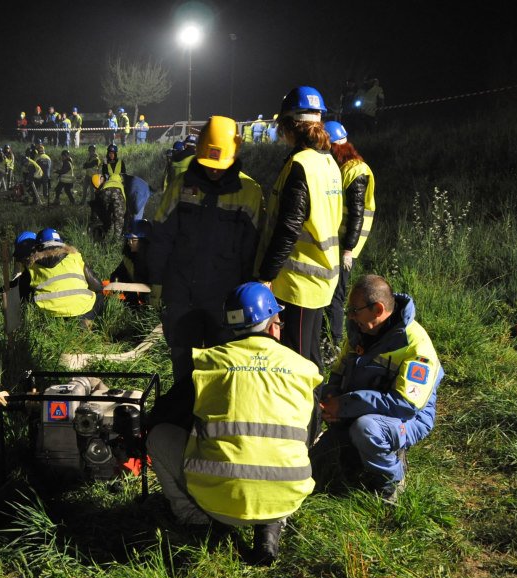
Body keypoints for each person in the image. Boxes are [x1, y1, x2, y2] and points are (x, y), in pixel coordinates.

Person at [146, 282, 320, 564]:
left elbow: (162, 414)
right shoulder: (303, 368)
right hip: (286, 496)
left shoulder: (209, 363)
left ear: (230, 328)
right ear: (273, 326)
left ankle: (196, 519)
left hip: (218, 502)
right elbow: (311, 432)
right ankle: (272, 525)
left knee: (158, 436)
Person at [147, 115, 265, 382]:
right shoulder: (180, 187)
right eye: (208, 164)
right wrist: (156, 281)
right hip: (182, 295)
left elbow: (253, 250)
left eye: (219, 165)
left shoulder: (249, 192)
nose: (213, 171)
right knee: (182, 365)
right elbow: (162, 236)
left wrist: (251, 289)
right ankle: (184, 406)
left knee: (223, 367)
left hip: (225, 300)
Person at [310, 274, 443, 503]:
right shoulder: (360, 330)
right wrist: (332, 396)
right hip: (360, 406)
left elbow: (405, 405)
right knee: (316, 465)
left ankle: (391, 480)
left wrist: (344, 405)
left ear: (378, 309)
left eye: (354, 310)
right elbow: (340, 370)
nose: (349, 316)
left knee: (366, 429)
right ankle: (359, 454)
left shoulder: (416, 346)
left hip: (408, 417)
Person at [256, 86, 343, 372]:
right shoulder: (328, 161)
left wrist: (266, 276)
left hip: (300, 282)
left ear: (288, 125)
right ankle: (316, 401)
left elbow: (289, 228)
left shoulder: (300, 165)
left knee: (298, 361)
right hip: (322, 274)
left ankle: (307, 403)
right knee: (311, 354)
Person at [323, 120, 377, 364]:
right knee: (330, 293)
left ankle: (334, 345)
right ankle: (329, 340)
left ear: (333, 146)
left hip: (344, 247)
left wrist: (348, 249)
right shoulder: (344, 167)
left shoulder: (356, 171)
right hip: (335, 244)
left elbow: (357, 214)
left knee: (336, 295)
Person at [20, 228, 105, 328]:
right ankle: (92, 324)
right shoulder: (74, 257)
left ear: (37, 247)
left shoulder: (31, 266)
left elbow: (22, 294)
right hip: (82, 310)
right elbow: (98, 286)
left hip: (49, 315)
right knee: (99, 295)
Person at [108, 218, 152, 307]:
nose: (129, 242)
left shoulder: (155, 261)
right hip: (135, 297)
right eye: (128, 239)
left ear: (144, 241)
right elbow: (117, 274)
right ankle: (132, 304)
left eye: (133, 239)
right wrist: (115, 283)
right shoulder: (129, 257)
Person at [94, 144, 127, 239]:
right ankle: (115, 239)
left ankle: (106, 235)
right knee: (118, 216)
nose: (111, 155)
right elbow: (123, 177)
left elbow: (103, 178)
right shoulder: (107, 163)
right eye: (110, 153)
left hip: (107, 190)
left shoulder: (119, 162)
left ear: (115, 154)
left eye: (112, 153)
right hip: (116, 190)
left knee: (108, 214)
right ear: (108, 153)